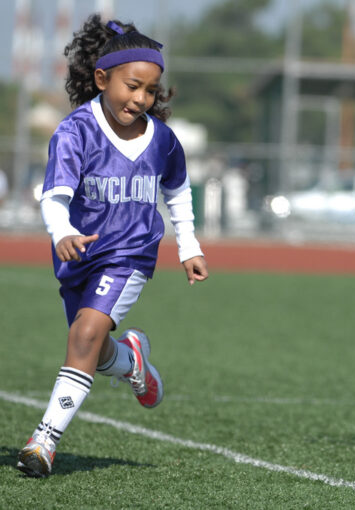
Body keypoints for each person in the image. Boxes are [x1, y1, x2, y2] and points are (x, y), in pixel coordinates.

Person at [16, 15, 208, 478]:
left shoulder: (162, 139)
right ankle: (132, 361)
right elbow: (56, 195)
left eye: (150, 91)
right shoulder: (75, 132)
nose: (141, 99)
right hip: (79, 254)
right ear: (103, 78)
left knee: (83, 336)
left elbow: (177, 191)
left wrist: (189, 245)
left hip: (130, 255)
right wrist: (61, 231)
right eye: (132, 86)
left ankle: (43, 442)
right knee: (94, 349)